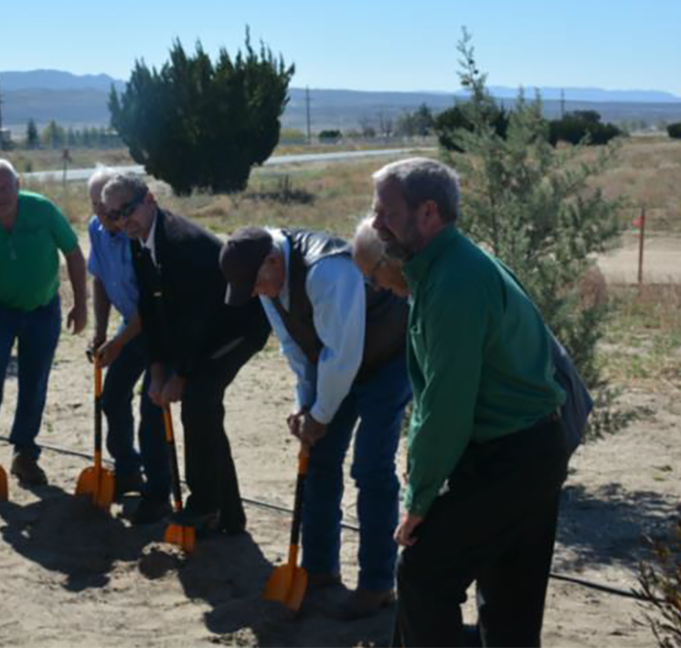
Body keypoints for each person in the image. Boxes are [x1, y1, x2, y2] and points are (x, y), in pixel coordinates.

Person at [370, 158, 568, 648]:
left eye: (386, 213)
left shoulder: (455, 282)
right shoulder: (447, 267)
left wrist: (419, 499)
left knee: (423, 572)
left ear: (428, 213)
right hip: (531, 447)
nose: (376, 225)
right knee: (509, 606)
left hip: (513, 455)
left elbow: (447, 402)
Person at [219, 225, 411, 619]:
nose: (257, 293)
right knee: (320, 457)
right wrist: (305, 407)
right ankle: (320, 567)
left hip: (389, 358)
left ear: (273, 261)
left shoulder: (327, 270)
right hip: (342, 364)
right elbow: (297, 348)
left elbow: (342, 355)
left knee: (371, 466)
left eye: (257, 284)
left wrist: (319, 416)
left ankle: (377, 584)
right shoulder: (268, 279)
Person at [101, 174, 269, 535]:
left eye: (127, 210)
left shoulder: (181, 242)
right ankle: (229, 516)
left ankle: (206, 503)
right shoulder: (139, 239)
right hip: (200, 329)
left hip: (237, 327)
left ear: (149, 200)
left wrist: (180, 375)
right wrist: (158, 367)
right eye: (113, 215)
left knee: (197, 400)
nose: (121, 221)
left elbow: (196, 319)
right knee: (204, 411)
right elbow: (153, 307)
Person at [0, 158, 88, 486]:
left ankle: (24, 453)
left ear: (18, 185)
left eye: (6, 187)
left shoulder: (42, 210)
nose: (1, 195)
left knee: (35, 380)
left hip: (43, 308)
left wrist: (81, 305)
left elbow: (73, 253)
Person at [85, 167, 171, 523]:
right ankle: (127, 469)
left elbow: (152, 309)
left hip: (161, 329)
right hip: (128, 326)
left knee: (152, 409)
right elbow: (101, 280)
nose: (106, 216)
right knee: (113, 396)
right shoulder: (97, 229)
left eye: (113, 210)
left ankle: (159, 492)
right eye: (97, 206)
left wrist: (118, 343)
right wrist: (102, 332)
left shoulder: (141, 235)